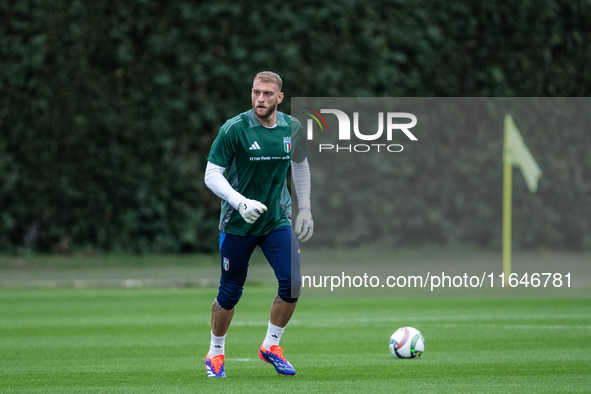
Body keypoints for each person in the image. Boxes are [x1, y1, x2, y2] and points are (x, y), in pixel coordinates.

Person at [203, 71, 313, 377]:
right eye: (255, 92)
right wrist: (240, 202)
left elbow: (300, 165)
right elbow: (212, 174)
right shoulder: (234, 129)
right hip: (238, 223)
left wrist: (304, 208)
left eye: (267, 94)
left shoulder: (292, 127)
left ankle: (271, 345)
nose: (259, 99)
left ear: (279, 98)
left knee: (292, 282)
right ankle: (215, 352)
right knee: (230, 293)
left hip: (276, 220)